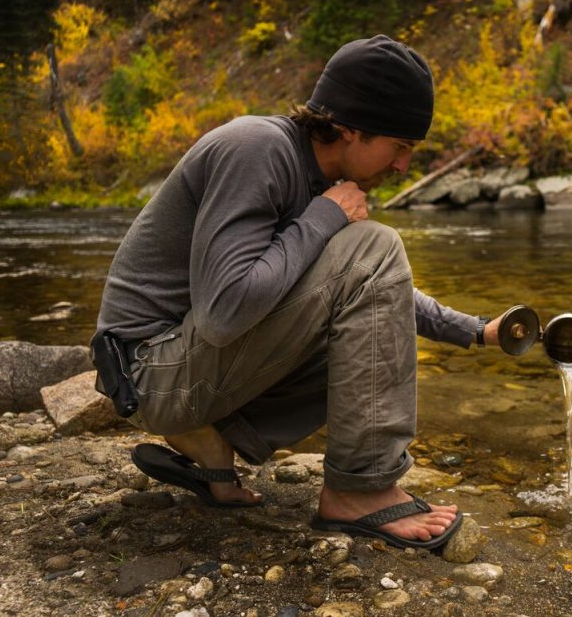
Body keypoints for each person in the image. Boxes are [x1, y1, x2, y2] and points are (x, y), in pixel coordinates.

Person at [92, 35, 504, 549]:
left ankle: (216, 445)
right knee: (375, 244)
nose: (403, 166)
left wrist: (478, 333)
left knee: (368, 284)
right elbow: (225, 312)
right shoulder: (256, 149)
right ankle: (361, 489)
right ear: (350, 129)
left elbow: (370, 295)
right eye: (399, 148)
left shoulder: (317, 176)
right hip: (149, 373)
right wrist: (325, 217)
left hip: (190, 368)